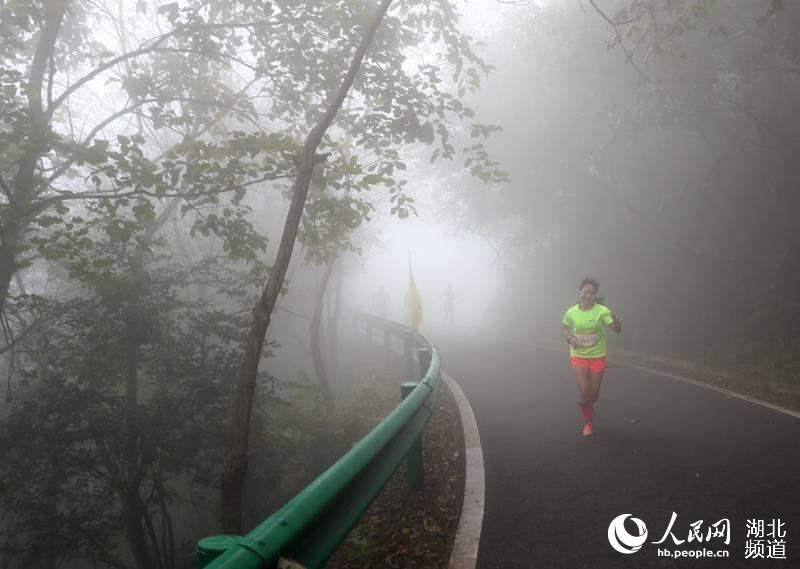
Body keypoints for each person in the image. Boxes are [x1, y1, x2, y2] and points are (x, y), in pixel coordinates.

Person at [561, 277, 622, 436]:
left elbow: (616, 329)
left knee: (593, 394)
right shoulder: (571, 312)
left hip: (597, 356)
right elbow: (565, 328)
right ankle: (588, 423)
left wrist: (616, 321)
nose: (588, 295)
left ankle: (588, 401)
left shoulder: (602, 310)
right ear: (580, 292)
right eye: (585, 291)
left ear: (595, 295)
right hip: (578, 355)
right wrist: (569, 338)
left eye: (592, 293)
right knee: (585, 391)